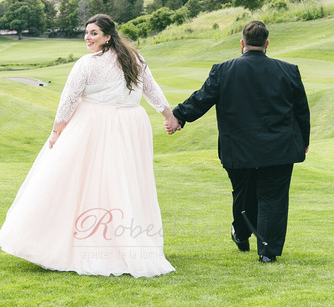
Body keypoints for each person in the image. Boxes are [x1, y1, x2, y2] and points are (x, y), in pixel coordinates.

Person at [0, 14, 175, 278]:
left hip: (95, 124)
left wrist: (56, 132)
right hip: (130, 125)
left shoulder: (91, 63)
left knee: (81, 180)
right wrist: (168, 117)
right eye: (86, 32)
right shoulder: (134, 58)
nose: (88, 37)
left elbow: (69, 99)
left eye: (93, 33)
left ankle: (90, 243)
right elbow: (151, 91)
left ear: (107, 36)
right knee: (119, 182)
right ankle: (117, 243)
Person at [165, 21, 310, 263]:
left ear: (242, 43)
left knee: (244, 195)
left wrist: (178, 116)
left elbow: (201, 99)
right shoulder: (289, 70)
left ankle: (242, 235)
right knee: (273, 198)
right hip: (279, 148)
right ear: (267, 43)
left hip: (239, 148)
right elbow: (301, 111)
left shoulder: (223, 70)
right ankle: (267, 253)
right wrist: (303, 140)